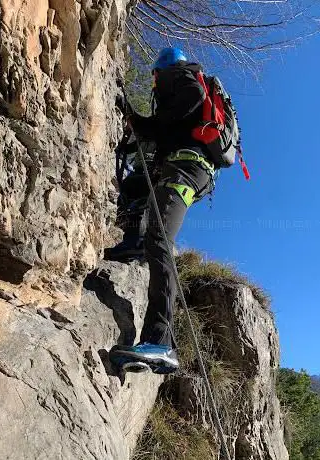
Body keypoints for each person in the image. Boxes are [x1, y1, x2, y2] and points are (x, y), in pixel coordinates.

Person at [108, 47, 216, 374]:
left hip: (187, 169)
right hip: (177, 167)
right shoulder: (177, 94)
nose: (154, 83)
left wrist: (142, 120)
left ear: (160, 71)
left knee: (160, 239)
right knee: (134, 187)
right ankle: (134, 241)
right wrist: (134, 130)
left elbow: (185, 104)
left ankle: (162, 342)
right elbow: (159, 133)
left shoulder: (181, 76)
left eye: (154, 77)